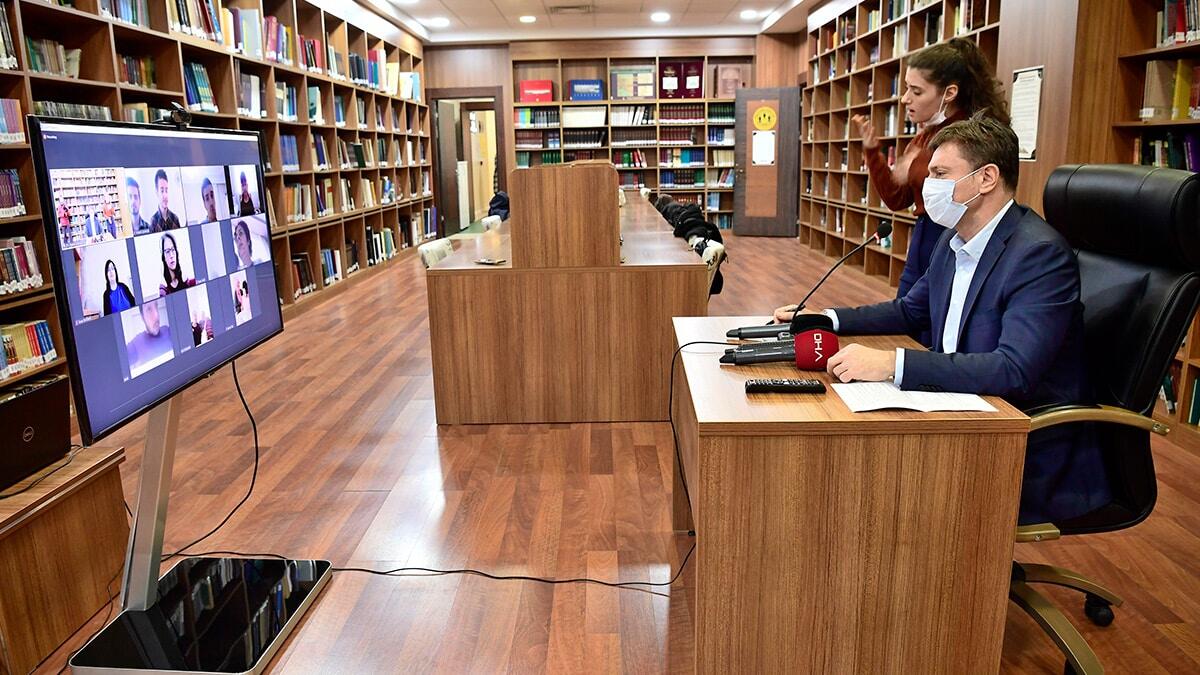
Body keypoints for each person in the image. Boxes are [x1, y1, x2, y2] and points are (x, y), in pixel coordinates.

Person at [774, 115, 1108, 524]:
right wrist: (824, 319)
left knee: (861, 482)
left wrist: (892, 363)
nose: (927, 186)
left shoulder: (1038, 255)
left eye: (940, 173)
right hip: (960, 409)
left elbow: (1013, 369)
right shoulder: (954, 238)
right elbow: (909, 311)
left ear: (986, 178)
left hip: (1022, 441)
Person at [852, 38, 1012, 315]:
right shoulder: (925, 135)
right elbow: (896, 199)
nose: (905, 99)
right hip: (924, 238)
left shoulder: (973, 137)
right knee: (909, 316)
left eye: (916, 91)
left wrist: (919, 165)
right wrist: (872, 152)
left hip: (957, 235)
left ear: (949, 93)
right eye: (906, 88)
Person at [126, 299, 173, 375]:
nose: (157, 315)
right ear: (142, 317)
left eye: (156, 306)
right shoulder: (135, 345)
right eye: (149, 309)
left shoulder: (167, 330)